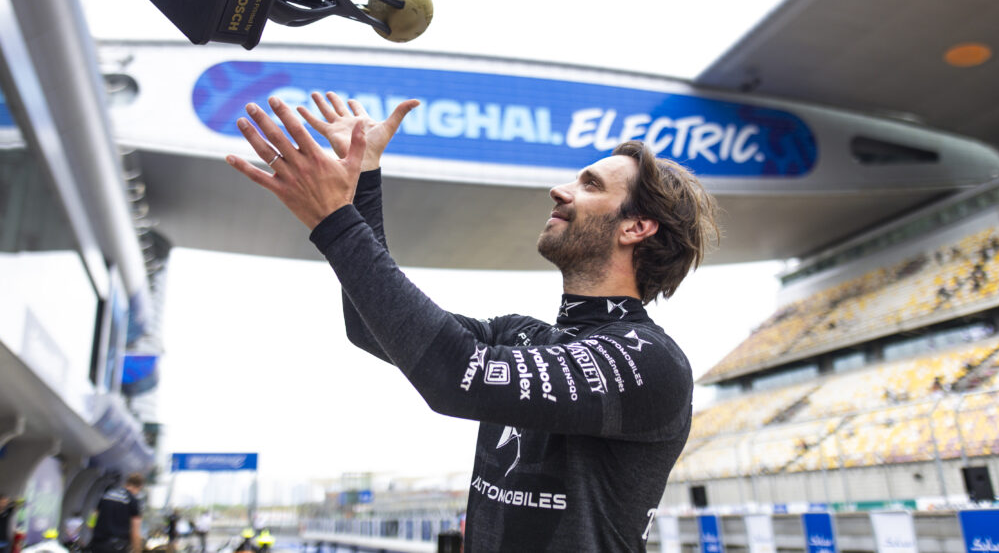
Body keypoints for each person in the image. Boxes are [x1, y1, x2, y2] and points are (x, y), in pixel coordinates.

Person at [226, 92, 721, 552]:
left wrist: (335, 221)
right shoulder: (520, 335)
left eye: (589, 184)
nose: (559, 190)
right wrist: (364, 182)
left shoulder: (649, 361)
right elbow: (371, 328)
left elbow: (455, 377)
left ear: (636, 227)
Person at [88, 475, 142, 553]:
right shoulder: (132, 500)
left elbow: (91, 521)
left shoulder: (107, 494)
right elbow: (135, 531)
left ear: (127, 483)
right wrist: (137, 550)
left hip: (98, 545)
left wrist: (96, 534)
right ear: (139, 487)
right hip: (117, 547)